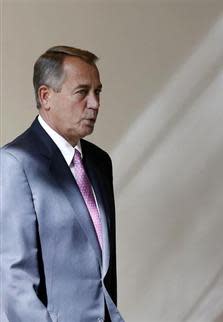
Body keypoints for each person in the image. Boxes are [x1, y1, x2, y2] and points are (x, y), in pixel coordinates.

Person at [0, 46, 124, 322]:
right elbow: (14, 281)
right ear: (46, 96)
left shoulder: (99, 161)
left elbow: (102, 269)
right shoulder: (15, 162)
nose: (94, 103)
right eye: (82, 92)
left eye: (98, 92)